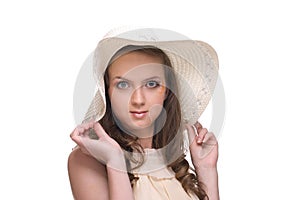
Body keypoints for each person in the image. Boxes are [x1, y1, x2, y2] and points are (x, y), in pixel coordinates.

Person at [68, 28, 220, 200]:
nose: (138, 100)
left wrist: (206, 169)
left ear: (167, 91)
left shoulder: (172, 162)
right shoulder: (88, 159)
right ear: (107, 91)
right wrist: (115, 162)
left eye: (151, 84)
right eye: (123, 85)